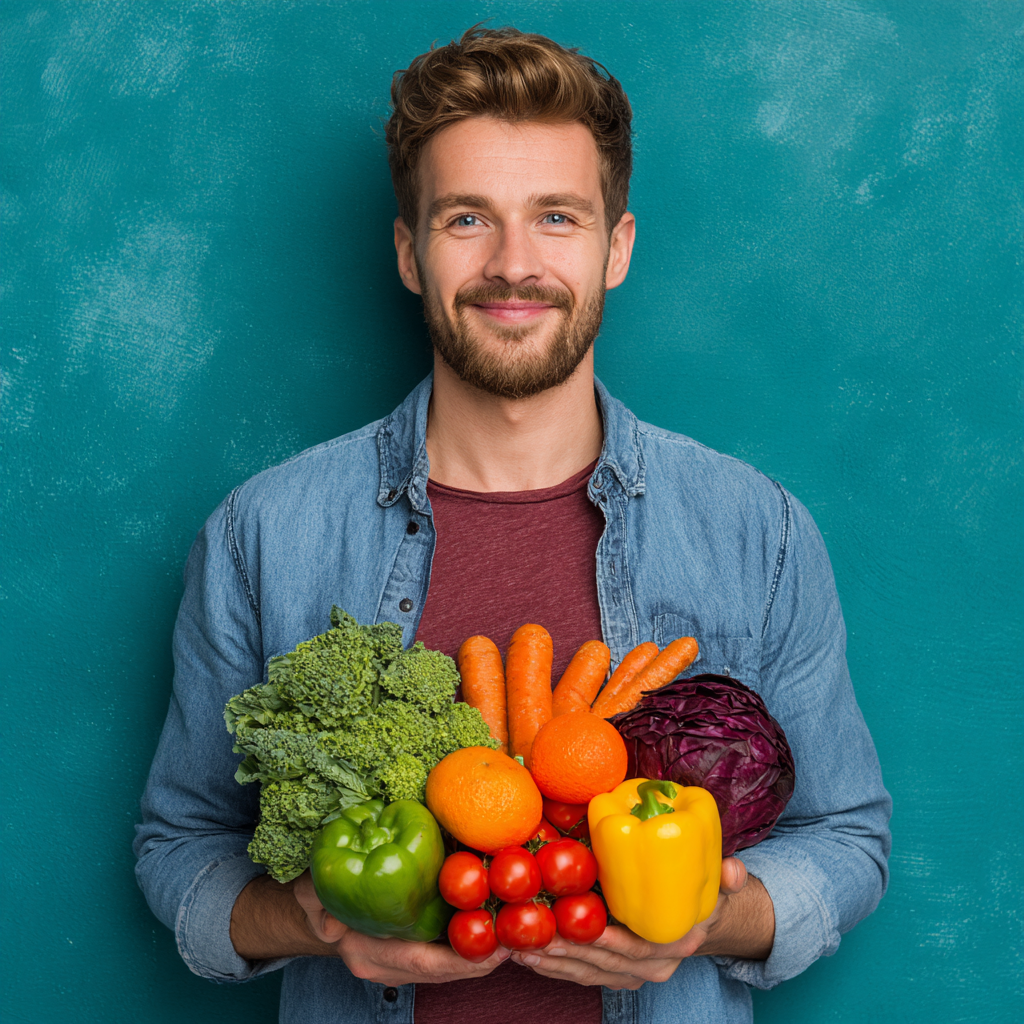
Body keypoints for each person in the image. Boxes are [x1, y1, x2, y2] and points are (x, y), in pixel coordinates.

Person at [134, 26, 891, 1024]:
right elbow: (179, 843)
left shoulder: (758, 529)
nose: (513, 264)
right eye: (464, 219)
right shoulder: (261, 533)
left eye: (557, 218)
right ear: (409, 252)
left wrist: (714, 917)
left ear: (615, 248)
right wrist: (311, 920)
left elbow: (846, 835)